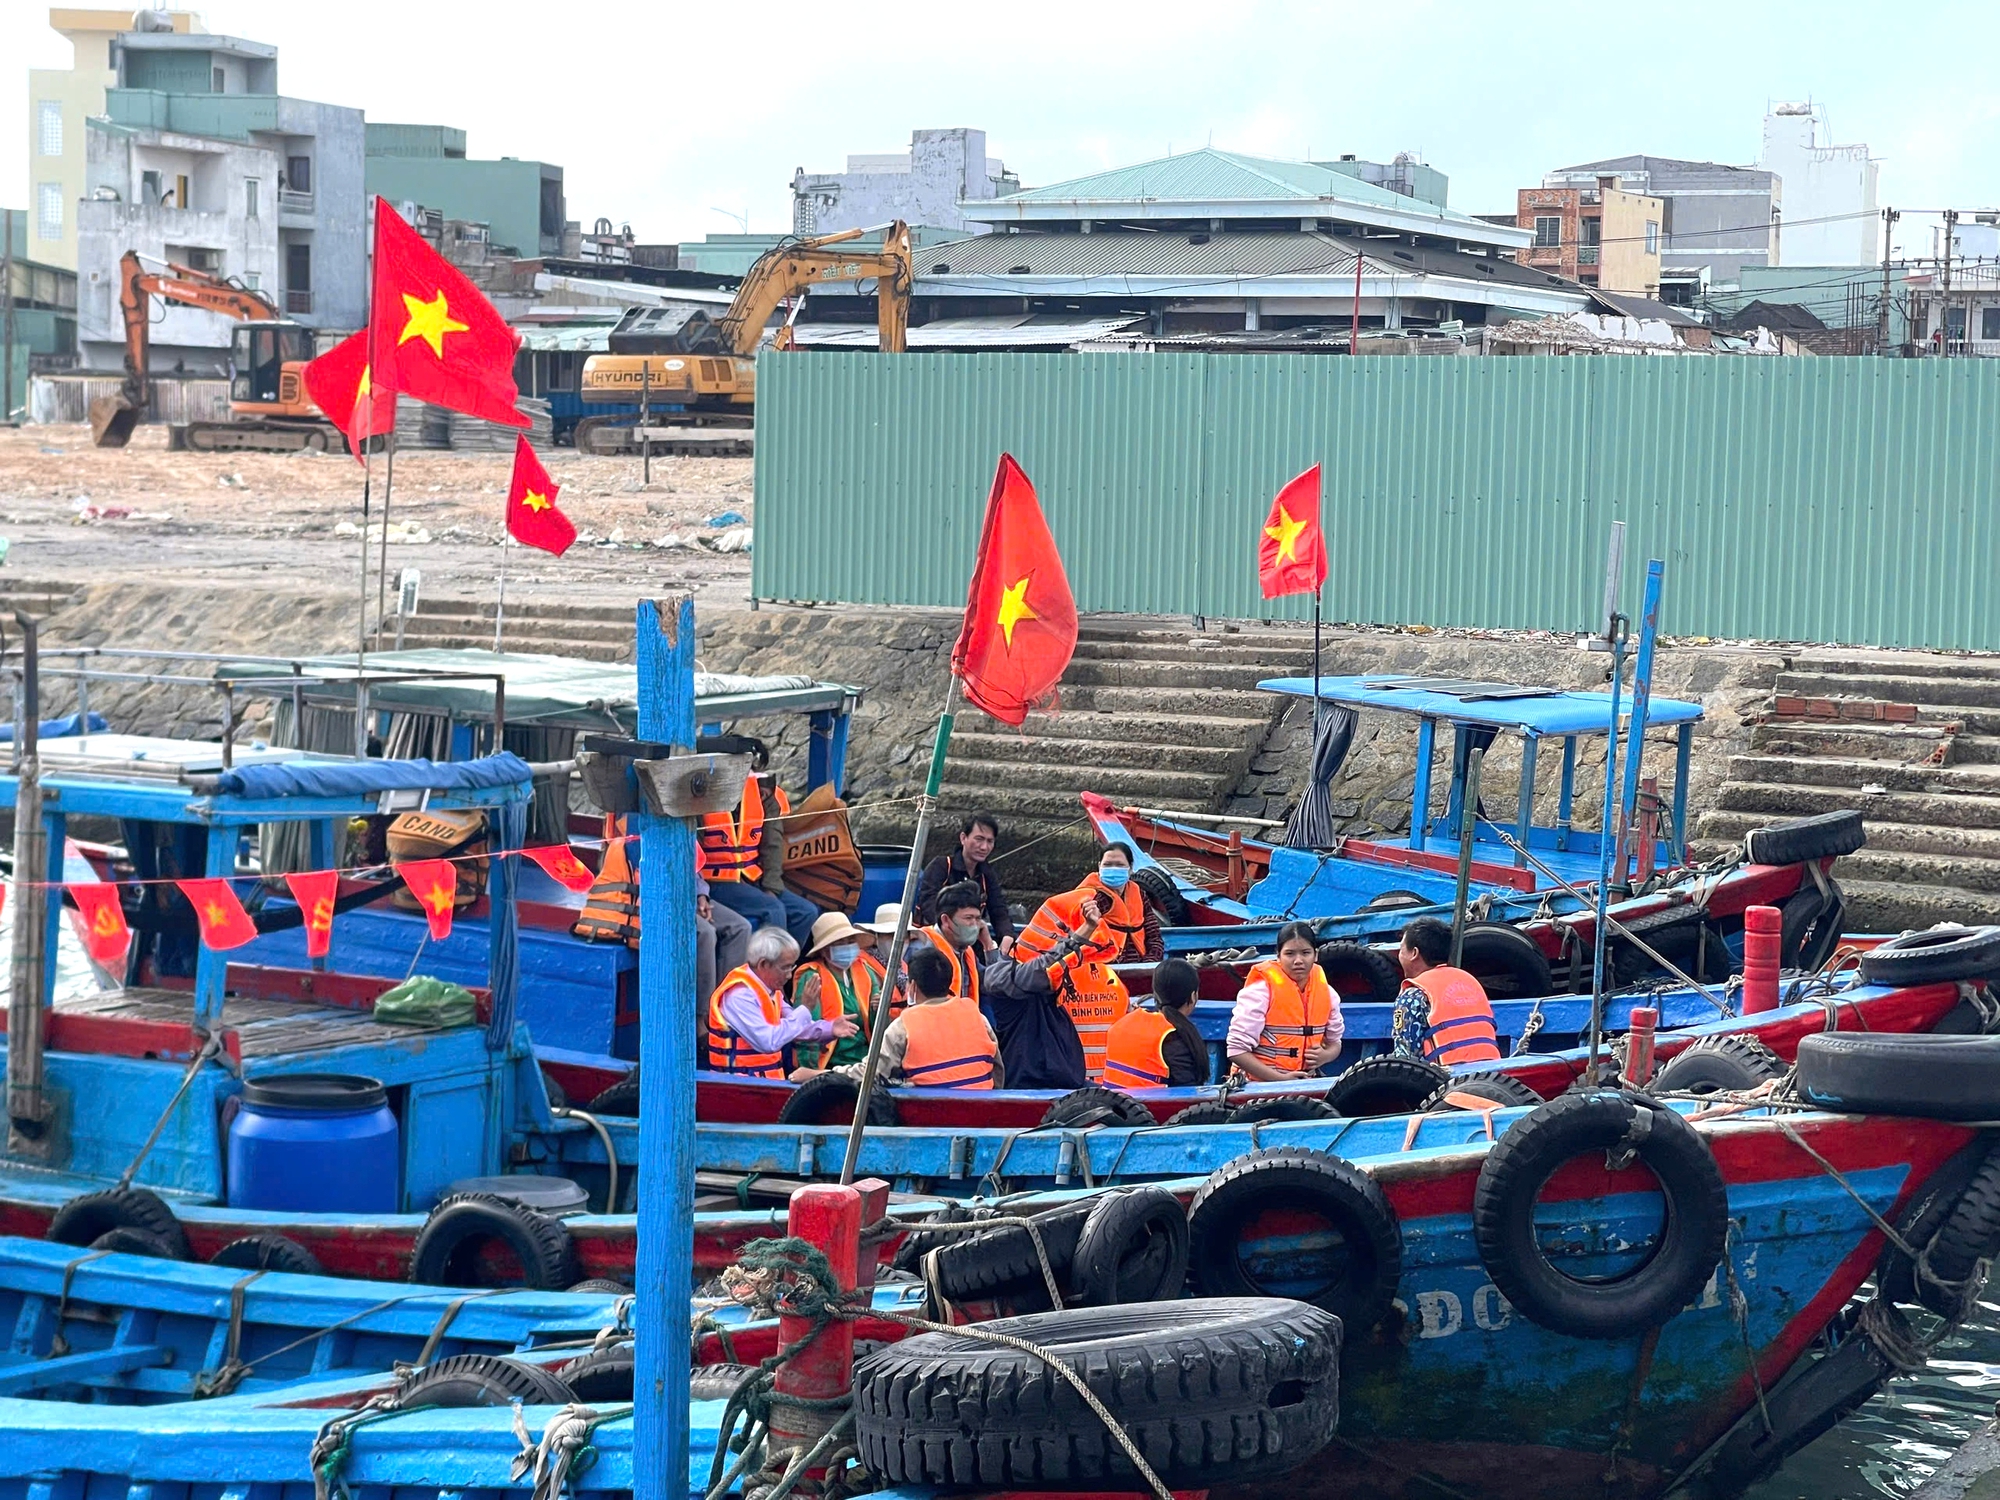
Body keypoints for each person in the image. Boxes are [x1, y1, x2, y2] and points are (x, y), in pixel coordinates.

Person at [802, 946, 1003, 1091]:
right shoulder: (977, 1015)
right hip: (981, 1108)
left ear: (912, 986)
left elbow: (869, 1074)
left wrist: (819, 1075)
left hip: (929, 1115)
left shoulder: (904, 1025)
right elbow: (998, 1070)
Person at [706, 927, 857, 1078]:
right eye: (785, 968)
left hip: (766, 1083)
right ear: (764, 964)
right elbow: (768, 1041)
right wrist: (804, 1008)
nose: (790, 975)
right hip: (736, 1087)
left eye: (792, 966)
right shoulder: (740, 995)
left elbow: (794, 1026)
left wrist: (830, 1028)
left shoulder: (770, 990)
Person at [700, 771, 821, 949]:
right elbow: (691, 851)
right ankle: (767, 971)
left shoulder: (762, 791)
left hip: (752, 877)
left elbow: (773, 844)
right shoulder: (699, 790)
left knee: (806, 912)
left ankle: (789, 968)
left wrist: (771, 886)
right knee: (773, 909)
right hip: (716, 881)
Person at [1227, 921, 1345, 1081]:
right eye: (1289, 954)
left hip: (1305, 1083)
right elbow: (1236, 1051)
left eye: (1305, 953)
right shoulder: (1260, 992)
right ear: (1278, 956)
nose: (1298, 960)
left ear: (1315, 955)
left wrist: (1326, 1055)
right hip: (1257, 1086)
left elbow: (1335, 1043)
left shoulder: (1328, 994)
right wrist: (1281, 1080)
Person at [1016, 844, 1162, 963]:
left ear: (1130, 868)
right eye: (1108, 864)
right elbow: (1083, 946)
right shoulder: (1092, 898)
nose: (1113, 869)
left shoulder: (1139, 894)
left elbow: (1153, 934)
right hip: (1105, 967)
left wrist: (1150, 961)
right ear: (1099, 866)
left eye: (1119, 865)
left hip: (1142, 965)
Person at [1391, 916, 1501, 1067]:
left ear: (1414, 953)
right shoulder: (1470, 981)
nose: (1399, 955)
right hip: (1493, 1077)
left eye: (1401, 950)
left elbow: (1406, 1060)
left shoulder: (1413, 995)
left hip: (1448, 1082)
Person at [791, 911, 885, 1068]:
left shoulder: (866, 972)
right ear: (824, 950)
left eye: (850, 941)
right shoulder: (812, 977)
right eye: (840, 942)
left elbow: (877, 1027)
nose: (848, 946)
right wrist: (809, 1073)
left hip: (865, 1062)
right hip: (829, 1064)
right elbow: (805, 1031)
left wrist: (878, 1009)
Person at [1102, 958, 1210, 1089]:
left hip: (1108, 1106)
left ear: (1156, 994)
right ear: (1193, 996)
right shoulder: (1176, 1039)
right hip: (1149, 1109)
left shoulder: (1121, 1023)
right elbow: (1187, 1095)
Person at [915, 812, 1014, 952]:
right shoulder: (941, 866)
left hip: (971, 944)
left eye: (990, 841)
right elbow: (929, 906)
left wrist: (1007, 935)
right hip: (934, 943)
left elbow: (999, 910)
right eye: (979, 839)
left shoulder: (987, 874)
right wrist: (957, 931)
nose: (984, 847)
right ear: (963, 838)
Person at [905, 880, 992, 1007]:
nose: (975, 925)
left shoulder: (966, 951)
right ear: (945, 920)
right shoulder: (922, 948)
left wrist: (989, 946)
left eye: (978, 918)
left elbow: (993, 984)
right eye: (968, 918)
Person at [696, 874, 752, 1008]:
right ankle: (703, 1014)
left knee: (741, 927)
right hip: (664, 899)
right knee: (706, 932)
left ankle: (730, 1006)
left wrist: (701, 895)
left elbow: (695, 872)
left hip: (692, 895)